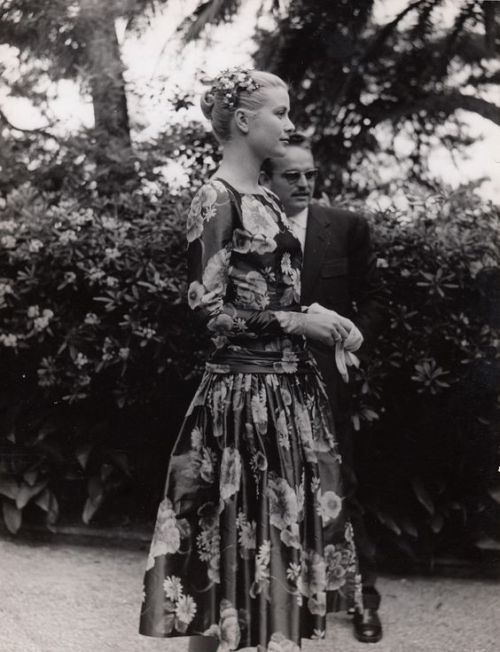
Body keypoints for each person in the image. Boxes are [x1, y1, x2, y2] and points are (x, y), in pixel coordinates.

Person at [139, 69, 364, 651]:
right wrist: (297, 322)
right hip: (241, 404)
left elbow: (272, 293)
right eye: (280, 113)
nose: (290, 124)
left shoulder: (265, 195)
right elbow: (209, 313)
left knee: (265, 564)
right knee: (224, 564)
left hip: (286, 400)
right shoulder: (215, 198)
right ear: (244, 121)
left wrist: (327, 321)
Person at [261, 133, 385, 644]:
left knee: (342, 486)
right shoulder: (252, 227)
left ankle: (361, 601)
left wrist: (359, 335)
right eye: (292, 175)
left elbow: (374, 299)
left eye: (310, 174)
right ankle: (280, 602)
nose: (305, 184)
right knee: (273, 489)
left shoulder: (347, 226)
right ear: (266, 179)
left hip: (327, 382)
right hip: (266, 378)